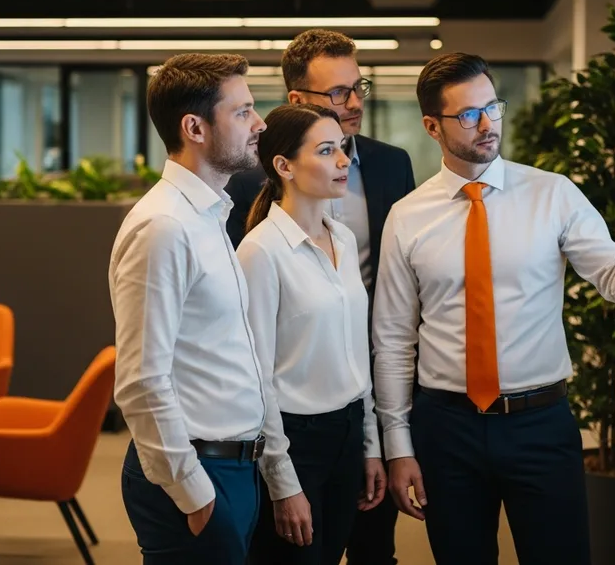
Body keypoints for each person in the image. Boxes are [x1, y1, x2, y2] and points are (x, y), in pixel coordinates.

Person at [372, 53, 615, 565]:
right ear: (431, 127)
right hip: (446, 428)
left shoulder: (553, 195)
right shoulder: (407, 217)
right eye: (467, 115)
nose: (487, 125)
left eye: (492, 107)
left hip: (539, 425)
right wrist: (398, 446)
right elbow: (393, 340)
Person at [226, 29, 415, 565]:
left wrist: (373, 441)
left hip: (356, 406)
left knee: (373, 549)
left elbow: (377, 314)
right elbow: (255, 361)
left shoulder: (349, 224)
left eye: (359, 88)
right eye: (337, 93)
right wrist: (281, 475)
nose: (352, 103)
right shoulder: (254, 224)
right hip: (293, 419)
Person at [109, 53, 269, 565]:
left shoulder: (208, 216)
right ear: (194, 127)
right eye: (243, 111)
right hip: (197, 474)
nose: (260, 123)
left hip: (233, 467)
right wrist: (195, 494)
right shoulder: (164, 227)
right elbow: (140, 380)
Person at [237, 103, 388, 565]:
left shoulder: (341, 237)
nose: (344, 161)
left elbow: (354, 354)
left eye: (341, 148)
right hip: (294, 443)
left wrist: (370, 446)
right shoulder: (261, 251)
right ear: (283, 166)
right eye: (326, 150)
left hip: (345, 432)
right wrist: (283, 484)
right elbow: (257, 377)